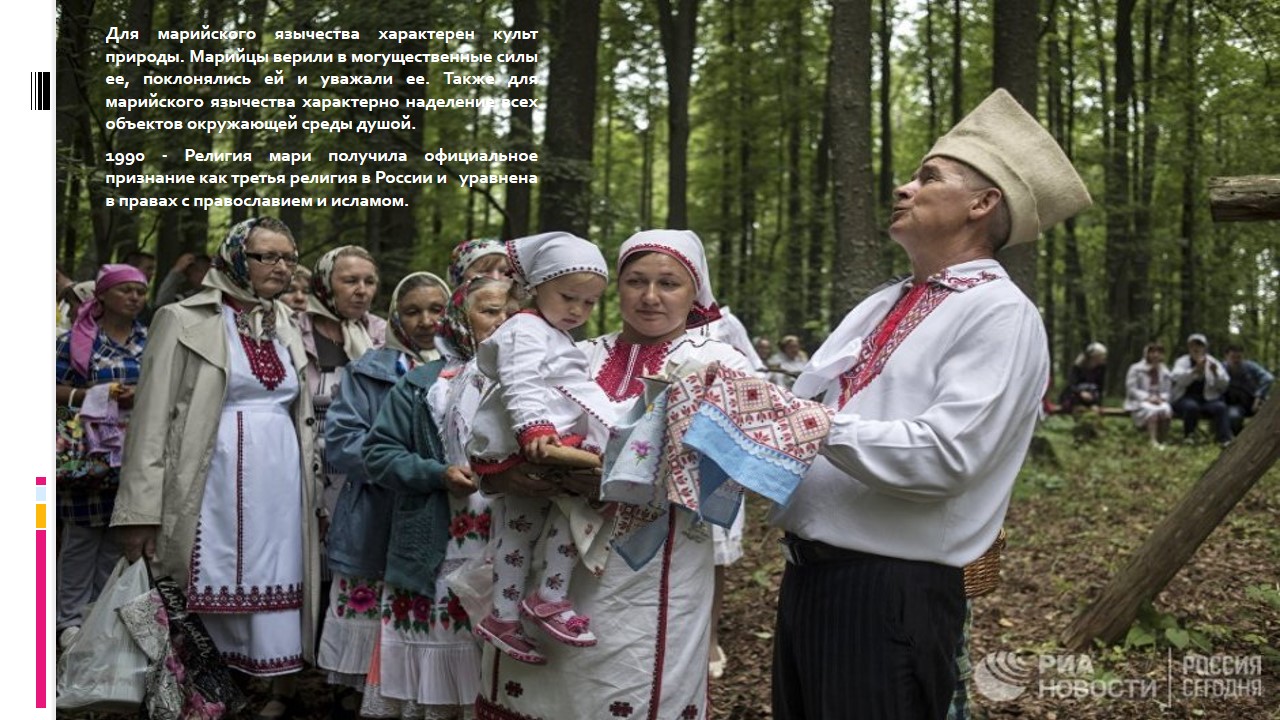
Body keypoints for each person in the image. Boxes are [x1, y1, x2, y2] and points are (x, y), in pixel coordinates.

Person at [769, 88, 1091, 719]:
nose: (904, 187)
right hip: (809, 579)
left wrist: (800, 420)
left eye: (928, 176)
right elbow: (809, 413)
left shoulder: (1000, 312)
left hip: (890, 593)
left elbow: (946, 456)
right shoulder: (883, 301)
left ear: (982, 203)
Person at [475, 228, 753, 719]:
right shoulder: (572, 352)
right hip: (547, 559)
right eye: (635, 281)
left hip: (653, 571)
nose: (649, 297)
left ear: (696, 293)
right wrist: (502, 478)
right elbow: (491, 429)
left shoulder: (718, 364)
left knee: (634, 688)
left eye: (668, 283)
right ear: (614, 286)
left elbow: (732, 468)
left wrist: (620, 479)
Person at [111, 218, 320, 719]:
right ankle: (197, 692)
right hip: (207, 477)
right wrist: (141, 511)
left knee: (275, 573)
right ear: (233, 257)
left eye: (288, 257)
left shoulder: (285, 323)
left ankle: (269, 684)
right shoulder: (182, 319)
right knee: (205, 574)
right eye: (266, 256)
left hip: (279, 480)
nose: (281, 267)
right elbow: (151, 420)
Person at [359, 276, 510, 719]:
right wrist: (437, 473)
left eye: (509, 311)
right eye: (488, 311)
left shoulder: (533, 381)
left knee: (495, 665)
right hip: (436, 544)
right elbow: (378, 453)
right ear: (461, 318)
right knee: (442, 664)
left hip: (507, 544)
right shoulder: (425, 383)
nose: (502, 322)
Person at [467, 232, 617, 663]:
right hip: (525, 441)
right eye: (569, 297)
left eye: (589, 303)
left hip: (545, 440)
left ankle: (524, 606)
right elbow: (521, 379)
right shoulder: (526, 329)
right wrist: (533, 427)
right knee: (520, 529)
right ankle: (517, 608)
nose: (578, 310)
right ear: (533, 287)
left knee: (560, 518)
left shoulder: (552, 332)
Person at [317, 272, 451, 713]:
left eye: (438, 310)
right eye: (413, 311)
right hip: (377, 512)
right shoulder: (368, 370)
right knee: (373, 628)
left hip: (438, 515)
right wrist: (404, 466)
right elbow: (342, 441)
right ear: (395, 317)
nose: (427, 320)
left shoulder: (466, 371)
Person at [54, 264, 149, 650]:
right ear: (104, 295)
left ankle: (99, 615)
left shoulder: (149, 339)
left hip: (135, 451)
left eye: (140, 292)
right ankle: (67, 621)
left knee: (116, 535)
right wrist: (92, 393)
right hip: (88, 454)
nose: (134, 298)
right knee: (81, 538)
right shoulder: (76, 340)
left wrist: (136, 392)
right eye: (125, 290)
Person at [296, 245, 387, 515]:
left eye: (369, 282)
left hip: (360, 471)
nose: (362, 290)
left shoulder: (383, 335)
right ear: (324, 283)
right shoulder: (292, 330)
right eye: (350, 281)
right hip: (301, 466)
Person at [1170, 333, 1232, 445]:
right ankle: (1189, 436)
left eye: (1199, 345)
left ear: (1204, 348)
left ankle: (1224, 439)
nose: (1196, 348)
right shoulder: (1182, 362)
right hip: (1184, 398)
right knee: (1191, 407)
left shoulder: (1213, 362)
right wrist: (1194, 371)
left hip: (1206, 399)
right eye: (1193, 345)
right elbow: (1176, 378)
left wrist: (1215, 373)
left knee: (1221, 407)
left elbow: (1224, 384)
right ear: (1189, 347)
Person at [1124, 342, 1174, 446]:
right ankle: (1153, 440)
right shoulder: (1136, 369)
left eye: (1159, 352)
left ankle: (1164, 440)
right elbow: (1131, 389)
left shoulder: (1165, 371)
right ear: (1146, 353)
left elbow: (1168, 390)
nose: (1155, 355)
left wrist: (1161, 398)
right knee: (1151, 410)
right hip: (1139, 401)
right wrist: (1147, 398)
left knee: (1166, 409)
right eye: (1152, 352)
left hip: (1158, 400)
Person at [1223, 343, 1273, 434]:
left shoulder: (1250, 366)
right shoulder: (1221, 369)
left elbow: (1268, 378)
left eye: (1239, 357)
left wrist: (1258, 397)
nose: (1236, 360)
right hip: (1235, 405)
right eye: (1233, 357)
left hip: (1253, 402)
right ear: (1226, 356)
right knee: (1234, 418)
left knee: (1271, 413)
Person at [1059, 342, 1108, 413]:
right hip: (1077, 396)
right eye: (1101, 355)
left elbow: (1100, 387)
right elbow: (1072, 385)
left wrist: (1097, 404)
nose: (1103, 358)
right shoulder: (1078, 366)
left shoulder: (1101, 368)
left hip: (1091, 397)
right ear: (1094, 356)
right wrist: (1081, 393)